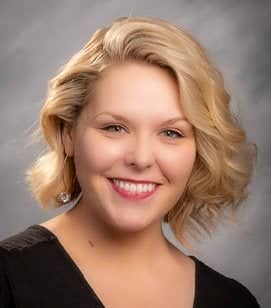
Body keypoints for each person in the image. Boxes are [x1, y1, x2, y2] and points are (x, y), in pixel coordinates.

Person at [0, 16, 260, 307]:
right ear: (68, 134)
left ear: (199, 148)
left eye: (171, 132)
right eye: (114, 127)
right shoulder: (7, 278)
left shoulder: (232, 301)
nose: (141, 158)